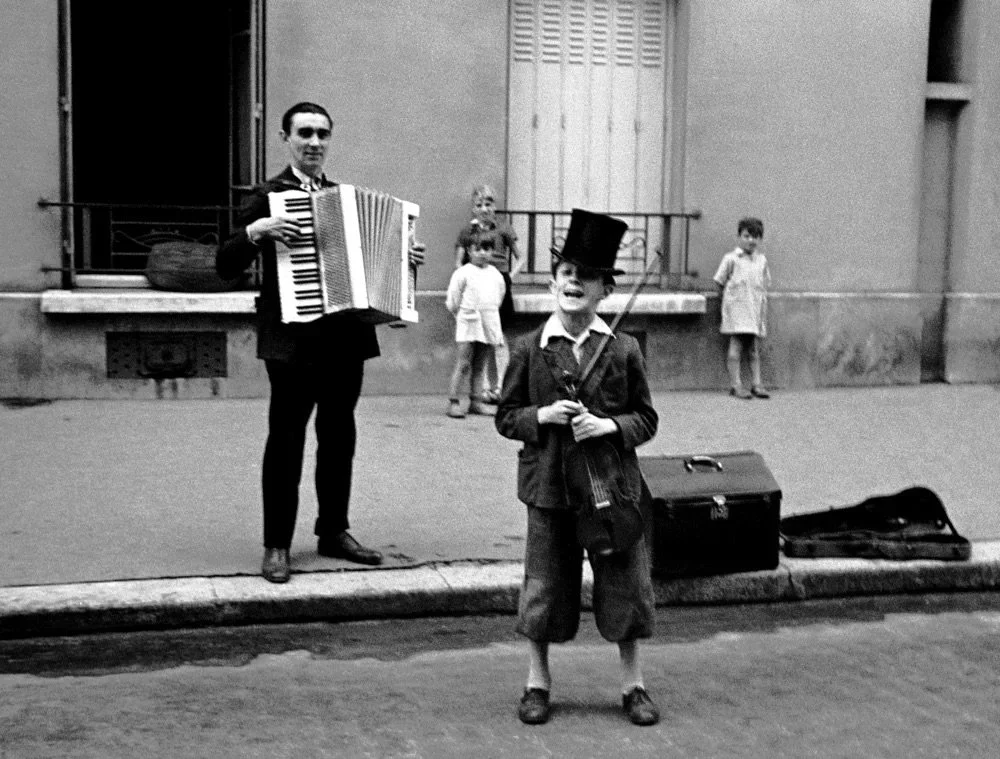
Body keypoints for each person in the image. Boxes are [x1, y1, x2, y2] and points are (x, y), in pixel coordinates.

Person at [216, 101, 424, 584]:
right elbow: (224, 263)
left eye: (322, 134)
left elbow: (375, 264)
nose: (314, 142)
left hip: (345, 338)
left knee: (338, 437)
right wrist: (255, 231)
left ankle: (333, 531)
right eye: (305, 133)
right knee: (286, 440)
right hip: (290, 341)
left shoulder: (344, 197)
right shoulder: (268, 195)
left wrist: (403, 256)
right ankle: (277, 545)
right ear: (286, 138)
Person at [494, 209, 660, 727]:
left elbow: (646, 418)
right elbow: (504, 417)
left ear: (604, 291)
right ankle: (537, 681)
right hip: (548, 488)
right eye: (566, 274)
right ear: (551, 283)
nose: (573, 283)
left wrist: (609, 427)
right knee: (544, 585)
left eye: (586, 278)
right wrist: (541, 416)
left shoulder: (624, 349)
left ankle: (633, 685)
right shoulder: (528, 349)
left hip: (611, 491)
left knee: (625, 584)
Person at [454, 185, 522, 404]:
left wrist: (509, 277)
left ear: (495, 206)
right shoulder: (468, 232)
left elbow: (520, 257)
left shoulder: (503, 228)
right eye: (479, 205)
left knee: (498, 337)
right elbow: (458, 262)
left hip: (498, 284)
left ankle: (501, 387)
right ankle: (481, 390)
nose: (484, 209)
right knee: (478, 339)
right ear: (473, 209)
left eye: (488, 204)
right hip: (475, 289)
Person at [445, 237, 506, 418]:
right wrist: (462, 315)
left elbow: (498, 297)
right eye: (477, 249)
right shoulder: (463, 273)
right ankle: (453, 401)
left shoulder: (495, 274)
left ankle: (476, 402)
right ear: (469, 251)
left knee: (480, 365)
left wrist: (490, 315)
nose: (482, 253)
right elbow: (453, 300)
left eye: (487, 249)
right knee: (464, 362)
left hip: (488, 322)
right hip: (468, 322)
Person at [713, 216, 771, 399]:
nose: (751, 240)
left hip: (753, 311)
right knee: (735, 347)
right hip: (736, 311)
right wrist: (728, 303)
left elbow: (764, 285)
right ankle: (736, 385)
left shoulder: (761, 261)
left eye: (755, 237)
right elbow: (719, 282)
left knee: (754, 349)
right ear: (739, 237)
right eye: (746, 236)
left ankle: (757, 384)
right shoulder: (731, 259)